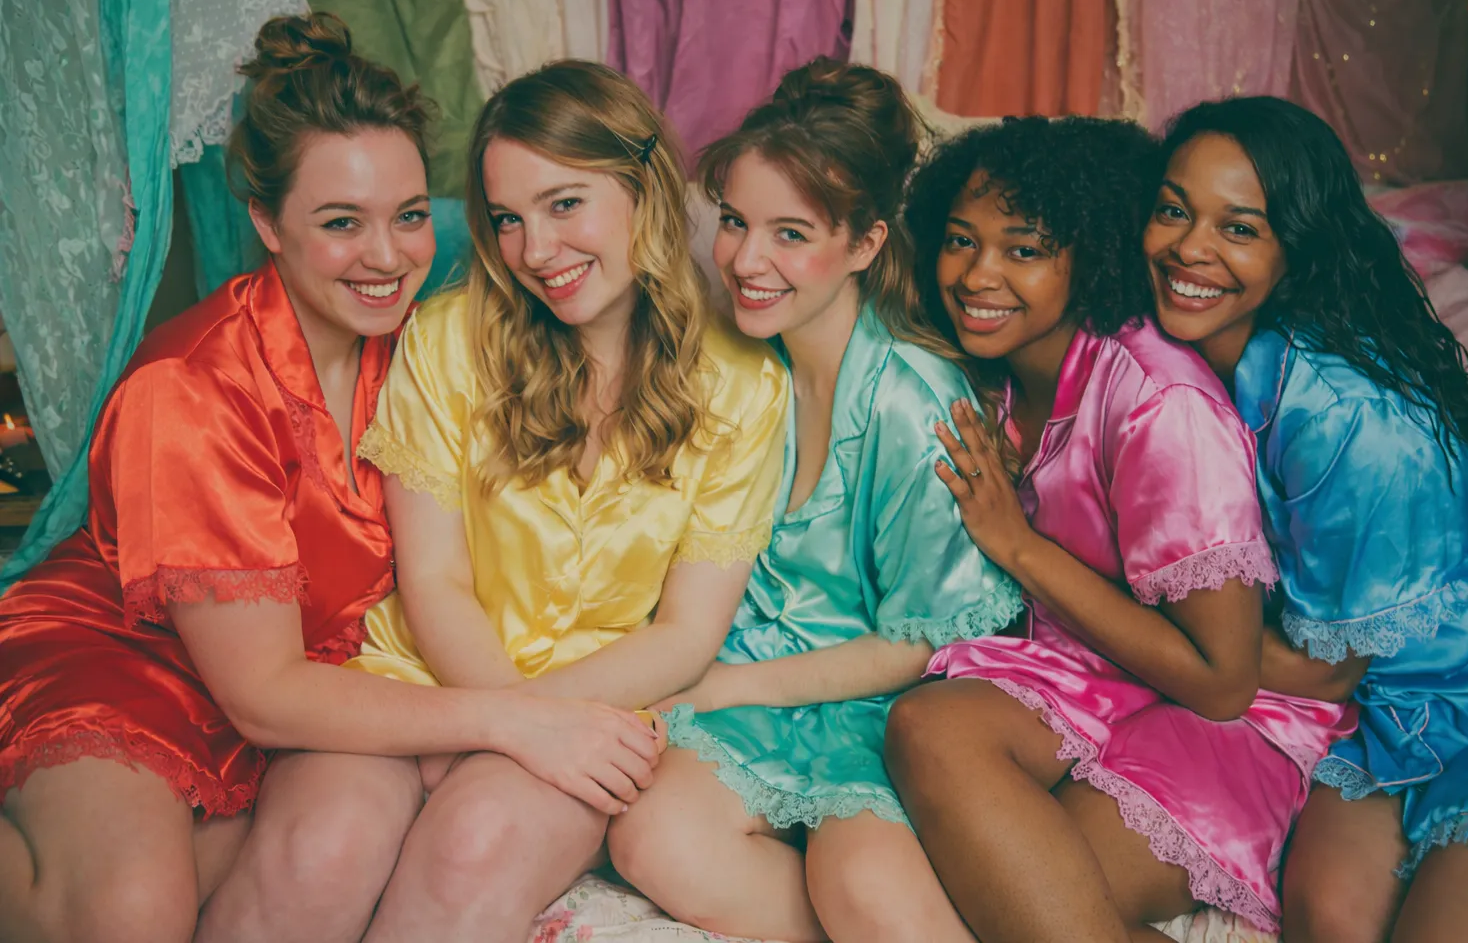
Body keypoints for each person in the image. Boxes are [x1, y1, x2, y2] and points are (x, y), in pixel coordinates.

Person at [0, 15, 659, 943]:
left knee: (300, 874)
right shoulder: (191, 389)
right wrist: (516, 721)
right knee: (129, 915)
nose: (387, 257)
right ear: (267, 222)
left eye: (411, 216)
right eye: (341, 223)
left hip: (312, 687)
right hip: (133, 662)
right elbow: (263, 690)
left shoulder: (428, 350)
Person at [344, 59, 789, 940]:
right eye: (508, 219)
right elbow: (434, 581)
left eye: (564, 204)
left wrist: (532, 735)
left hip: (601, 711)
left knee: (471, 841)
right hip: (422, 683)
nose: (535, 251)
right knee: (322, 849)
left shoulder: (743, 386)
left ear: (643, 188)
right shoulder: (445, 341)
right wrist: (500, 722)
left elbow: (687, 634)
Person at [883, 116, 1353, 943]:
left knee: (1030, 892)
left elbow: (1222, 680)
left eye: (1023, 249)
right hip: (1098, 674)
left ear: (1089, 255)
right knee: (937, 754)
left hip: (1229, 715)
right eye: (961, 240)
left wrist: (1018, 545)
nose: (978, 274)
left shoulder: (1159, 404)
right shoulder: (991, 376)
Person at [606, 59, 1020, 943]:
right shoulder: (741, 355)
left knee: (863, 887)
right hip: (752, 679)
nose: (746, 262)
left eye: (790, 235)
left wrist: (713, 689)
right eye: (734, 223)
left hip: (878, 703)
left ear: (867, 244)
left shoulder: (915, 404)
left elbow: (912, 647)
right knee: (652, 839)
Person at [1142, 94, 1468, 942]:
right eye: (1174, 210)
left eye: (1239, 228)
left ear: (1296, 248)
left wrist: (1112, 596)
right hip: (1394, 705)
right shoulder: (1185, 360)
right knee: (1326, 922)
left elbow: (1325, 674)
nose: (1190, 248)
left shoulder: (1342, 416)